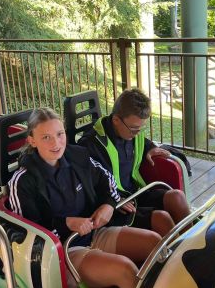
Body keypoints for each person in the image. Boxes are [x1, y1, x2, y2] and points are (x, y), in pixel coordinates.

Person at [7, 108, 160, 288]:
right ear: (32, 141)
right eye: (46, 137)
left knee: (155, 244)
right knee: (125, 270)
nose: (56, 143)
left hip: (95, 232)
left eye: (60, 134)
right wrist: (66, 223)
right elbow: (27, 235)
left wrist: (108, 205)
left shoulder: (77, 156)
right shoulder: (22, 181)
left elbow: (107, 179)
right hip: (63, 251)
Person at [79, 88, 190, 236]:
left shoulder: (129, 133)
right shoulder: (90, 145)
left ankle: (193, 241)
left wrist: (150, 147)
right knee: (162, 219)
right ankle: (180, 250)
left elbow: (141, 141)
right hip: (116, 204)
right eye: (134, 129)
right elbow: (90, 184)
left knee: (177, 197)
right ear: (116, 120)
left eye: (140, 128)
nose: (137, 134)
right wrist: (113, 200)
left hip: (135, 193)